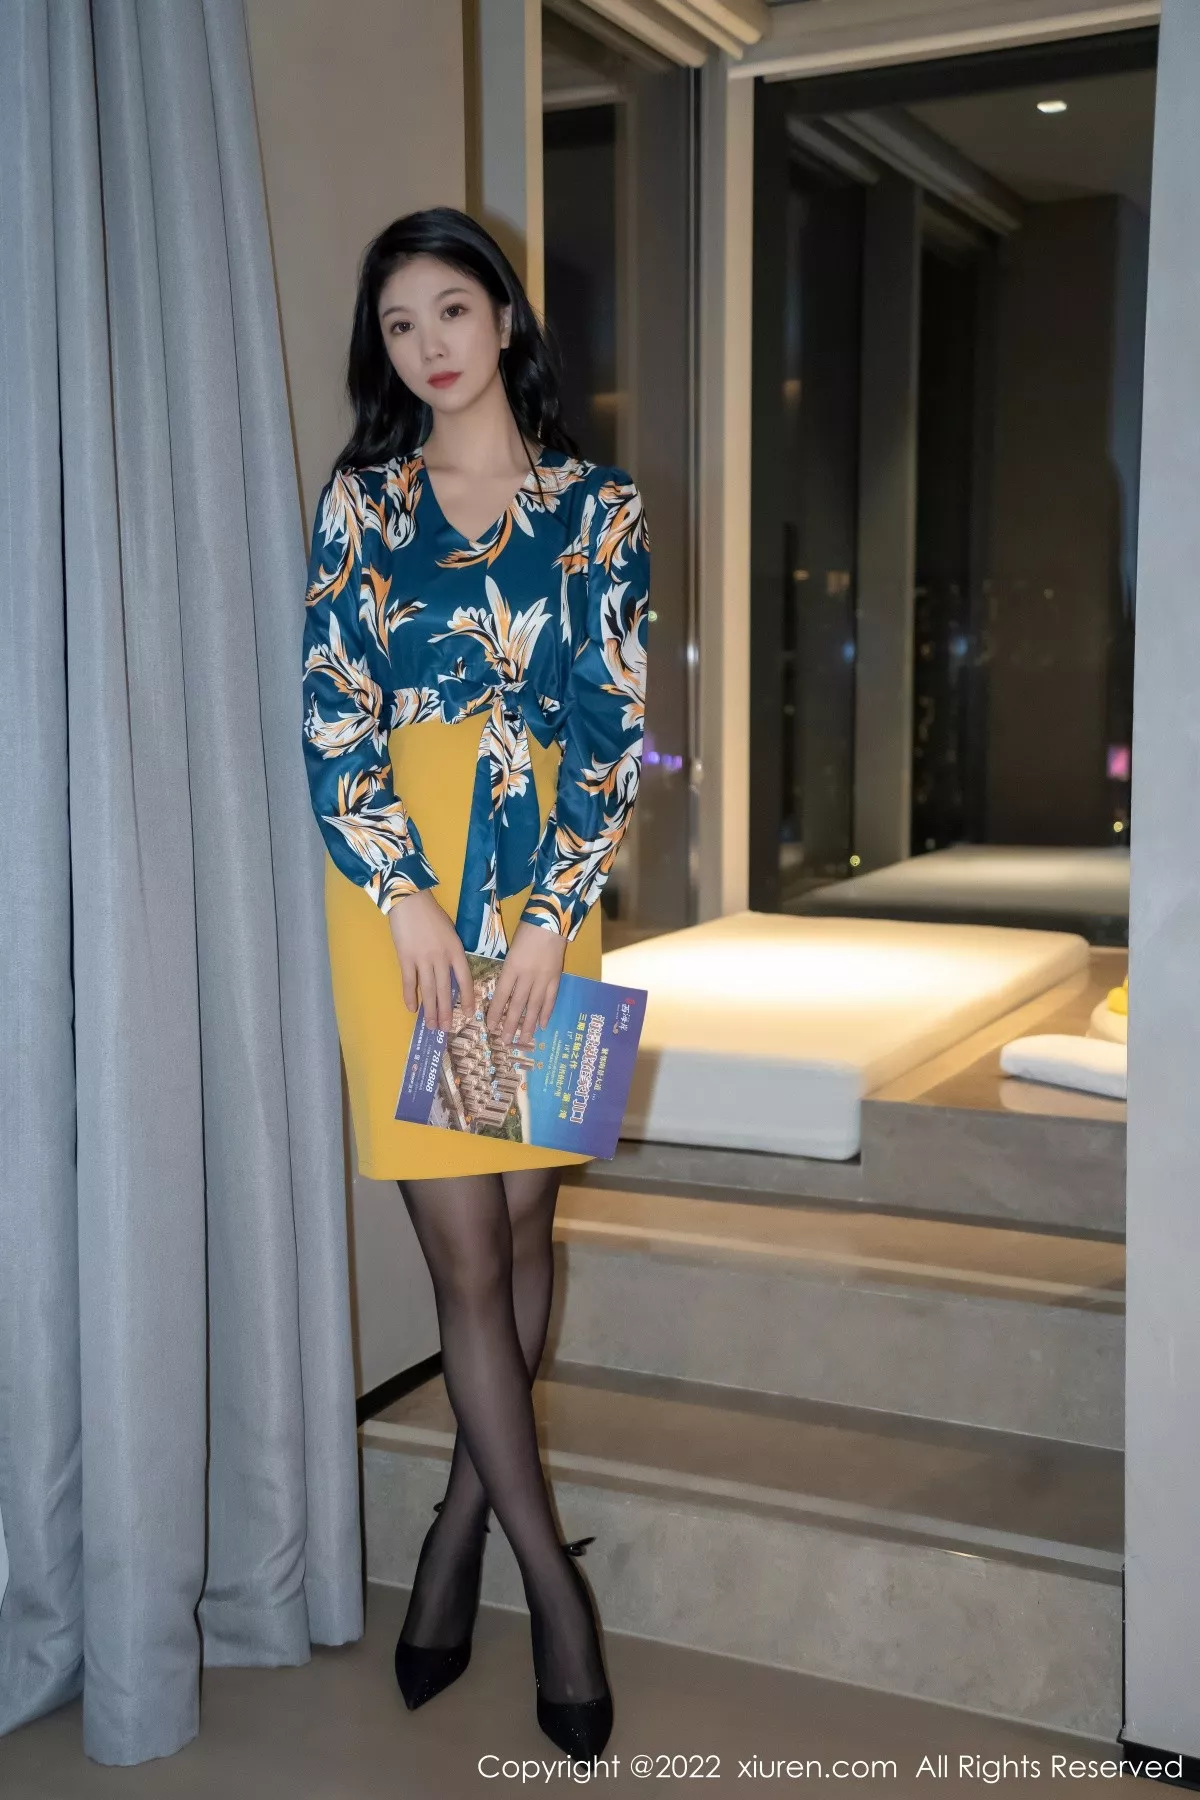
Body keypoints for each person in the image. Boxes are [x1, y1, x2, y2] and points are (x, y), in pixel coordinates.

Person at [300, 206, 650, 1758]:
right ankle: (552, 1593)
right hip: (403, 912)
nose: (429, 345)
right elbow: (332, 715)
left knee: (522, 1227)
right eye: (399, 324)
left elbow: (613, 733)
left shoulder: (598, 508)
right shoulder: (364, 503)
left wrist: (547, 920)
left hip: (541, 896)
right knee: (464, 1253)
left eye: (451, 309)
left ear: (505, 319)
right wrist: (408, 900)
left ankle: (454, 1532)